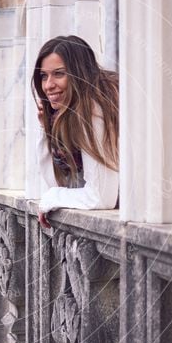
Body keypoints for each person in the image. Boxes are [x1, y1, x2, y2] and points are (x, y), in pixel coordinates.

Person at [32, 35, 119, 229]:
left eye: (59, 74)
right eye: (44, 76)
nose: (48, 85)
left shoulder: (96, 107)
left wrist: (53, 197)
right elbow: (57, 182)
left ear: (80, 73)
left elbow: (101, 197)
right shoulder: (70, 115)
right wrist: (46, 131)